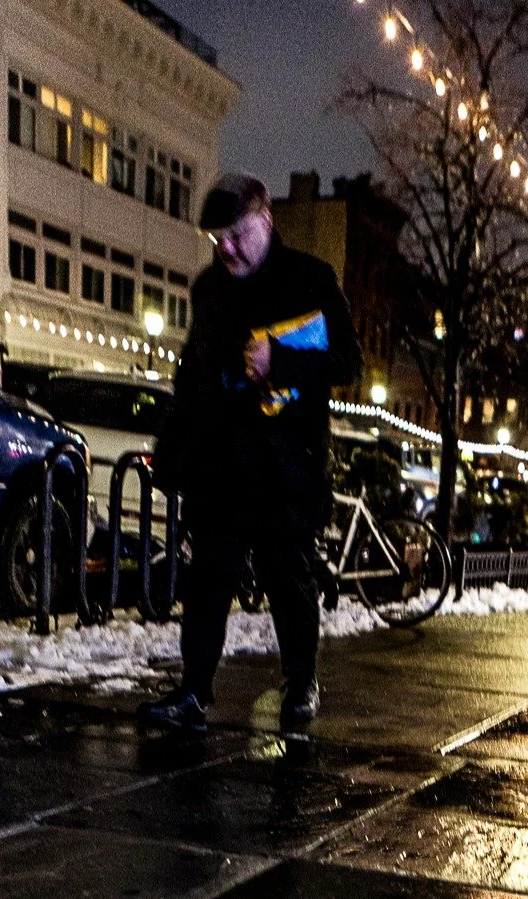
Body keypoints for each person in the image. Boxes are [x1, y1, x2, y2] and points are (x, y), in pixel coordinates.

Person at [143, 173, 362, 734]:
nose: (228, 249)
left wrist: (282, 362)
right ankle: (194, 691)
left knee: (289, 580)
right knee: (208, 580)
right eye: (218, 240)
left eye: (237, 235)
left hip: (286, 468)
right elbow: (192, 372)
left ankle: (301, 682)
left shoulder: (311, 279)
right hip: (222, 464)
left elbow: (347, 363)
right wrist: (171, 453)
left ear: (265, 218)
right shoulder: (209, 288)